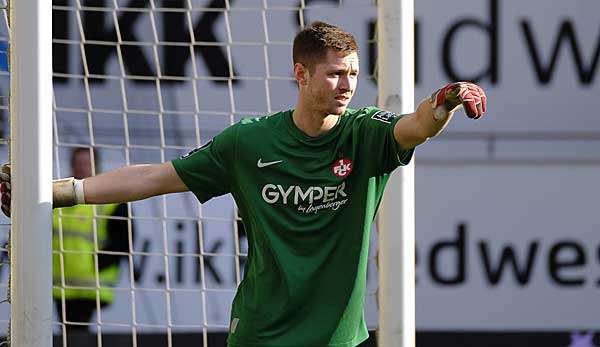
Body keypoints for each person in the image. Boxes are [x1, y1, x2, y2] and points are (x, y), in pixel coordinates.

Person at [1, 21, 486, 347]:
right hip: (262, 333)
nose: (348, 85)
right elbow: (154, 176)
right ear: (300, 74)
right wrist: (57, 192)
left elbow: (416, 126)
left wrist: (444, 102)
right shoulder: (249, 142)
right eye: (336, 74)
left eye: (354, 74)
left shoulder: (366, 135)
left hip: (339, 340)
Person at [53, 148, 132, 344]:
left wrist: (97, 264)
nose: (81, 167)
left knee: (76, 334)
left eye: (86, 163)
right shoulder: (56, 199)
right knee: (67, 333)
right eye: (78, 162)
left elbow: (123, 240)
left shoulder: (110, 200)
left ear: (96, 166)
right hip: (59, 283)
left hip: (90, 283)